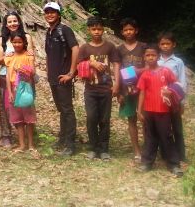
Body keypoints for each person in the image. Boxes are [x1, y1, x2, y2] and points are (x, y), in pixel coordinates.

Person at [77, 16, 120, 161]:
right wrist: (91, 63)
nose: (96, 31)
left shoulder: (110, 47)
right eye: (93, 29)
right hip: (90, 89)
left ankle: (104, 149)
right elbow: (78, 65)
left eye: (99, 29)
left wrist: (117, 84)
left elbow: (116, 65)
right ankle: (93, 148)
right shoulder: (84, 48)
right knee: (91, 118)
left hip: (106, 88)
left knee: (104, 119)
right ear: (89, 30)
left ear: (103, 30)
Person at [137, 45, 184, 176]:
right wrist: (139, 110)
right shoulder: (145, 75)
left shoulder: (166, 71)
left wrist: (175, 99)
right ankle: (147, 162)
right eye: (147, 55)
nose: (150, 57)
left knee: (166, 136)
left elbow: (176, 86)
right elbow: (142, 92)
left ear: (158, 56)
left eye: (153, 55)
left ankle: (174, 164)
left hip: (163, 110)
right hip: (149, 111)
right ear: (144, 57)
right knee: (150, 137)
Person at [43, 1, 79, 156]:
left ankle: (71, 144)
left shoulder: (65, 30)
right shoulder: (49, 32)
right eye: (47, 12)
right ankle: (63, 138)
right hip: (53, 78)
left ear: (58, 14)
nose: (50, 15)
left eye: (53, 12)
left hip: (64, 77)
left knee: (67, 110)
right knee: (61, 110)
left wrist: (71, 73)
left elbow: (75, 48)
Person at [0, 11, 36, 147]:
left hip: (25, 79)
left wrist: (24, 64)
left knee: (27, 105)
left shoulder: (26, 37)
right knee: (8, 107)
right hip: (8, 76)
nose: (12, 23)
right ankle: (8, 136)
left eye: (15, 21)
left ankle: (30, 139)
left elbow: (30, 54)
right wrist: (9, 56)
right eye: (9, 21)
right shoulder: (2, 39)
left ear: (19, 22)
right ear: (6, 24)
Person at [117, 18, 147, 162]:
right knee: (131, 119)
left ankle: (149, 147)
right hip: (127, 89)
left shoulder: (143, 47)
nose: (128, 32)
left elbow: (150, 66)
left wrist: (138, 70)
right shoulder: (119, 49)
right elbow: (117, 71)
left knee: (145, 118)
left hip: (144, 88)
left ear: (136, 30)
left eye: (131, 29)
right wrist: (119, 93)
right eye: (126, 30)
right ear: (122, 32)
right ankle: (137, 150)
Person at [4, 30, 37, 152]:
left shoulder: (28, 55)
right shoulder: (9, 57)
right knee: (17, 118)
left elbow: (33, 72)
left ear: (24, 42)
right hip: (13, 87)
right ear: (11, 43)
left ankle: (31, 145)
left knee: (29, 117)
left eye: (20, 42)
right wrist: (10, 92)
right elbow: (8, 75)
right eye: (15, 42)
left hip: (26, 87)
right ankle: (22, 144)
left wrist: (23, 70)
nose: (17, 44)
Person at [157, 31, 187, 163]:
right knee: (164, 128)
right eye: (162, 43)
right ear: (159, 45)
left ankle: (181, 155)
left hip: (174, 99)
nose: (165, 46)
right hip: (159, 100)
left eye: (167, 43)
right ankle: (165, 154)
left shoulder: (178, 62)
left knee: (177, 128)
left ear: (173, 44)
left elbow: (182, 81)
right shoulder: (155, 60)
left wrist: (182, 102)